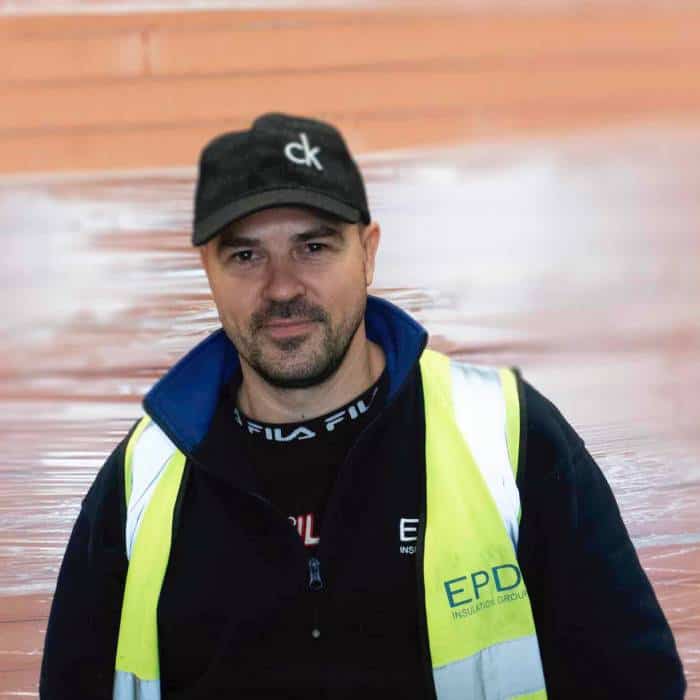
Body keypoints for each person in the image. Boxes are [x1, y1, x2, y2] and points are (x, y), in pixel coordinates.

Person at [39, 112, 686, 700]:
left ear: (369, 252)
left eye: (313, 247)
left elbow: (634, 681)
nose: (282, 287)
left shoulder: (508, 435)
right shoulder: (146, 475)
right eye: (245, 254)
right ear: (206, 268)